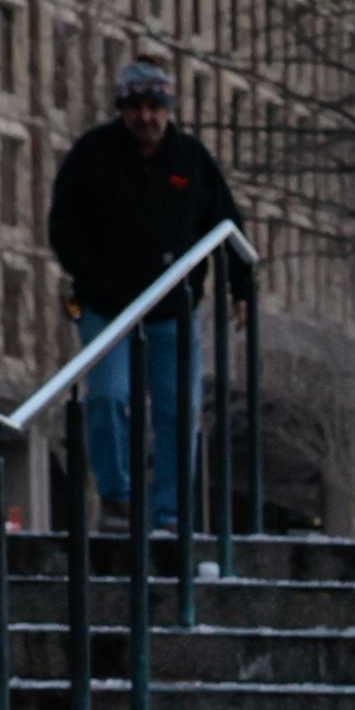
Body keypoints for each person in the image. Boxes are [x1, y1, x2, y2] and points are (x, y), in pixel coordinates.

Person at [43, 58, 243, 538]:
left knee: (178, 409)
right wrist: (92, 274)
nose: (146, 118)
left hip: (172, 310)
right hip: (106, 306)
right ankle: (116, 498)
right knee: (108, 397)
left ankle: (170, 514)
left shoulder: (191, 159)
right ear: (123, 109)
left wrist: (240, 287)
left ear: (168, 109)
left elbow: (227, 224)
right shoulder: (93, 154)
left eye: (155, 108)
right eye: (136, 108)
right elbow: (64, 225)